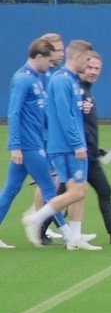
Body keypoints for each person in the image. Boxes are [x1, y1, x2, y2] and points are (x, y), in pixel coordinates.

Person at [40, 53, 111, 244]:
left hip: (87, 153)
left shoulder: (85, 91)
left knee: (96, 191)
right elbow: (70, 123)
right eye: (90, 67)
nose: (93, 72)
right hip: (77, 155)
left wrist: (95, 147)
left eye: (97, 68)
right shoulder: (74, 89)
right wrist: (78, 147)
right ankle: (38, 225)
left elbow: (85, 126)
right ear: (81, 66)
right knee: (69, 194)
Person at [22, 40, 102, 251]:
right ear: (76, 58)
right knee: (75, 192)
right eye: (87, 60)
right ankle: (36, 218)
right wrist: (77, 144)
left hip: (71, 146)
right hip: (65, 148)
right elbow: (64, 116)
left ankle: (74, 238)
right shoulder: (61, 81)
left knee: (80, 191)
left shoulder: (72, 81)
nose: (89, 65)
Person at [0, 38, 69, 248]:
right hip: (29, 147)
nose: (52, 64)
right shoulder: (22, 79)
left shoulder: (38, 77)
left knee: (10, 190)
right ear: (38, 57)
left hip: (35, 143)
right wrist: (16, 146)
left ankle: (68, 234)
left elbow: (43, 112)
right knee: (50, 189)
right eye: (49, 60)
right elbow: (13, 112)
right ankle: (70, 235)